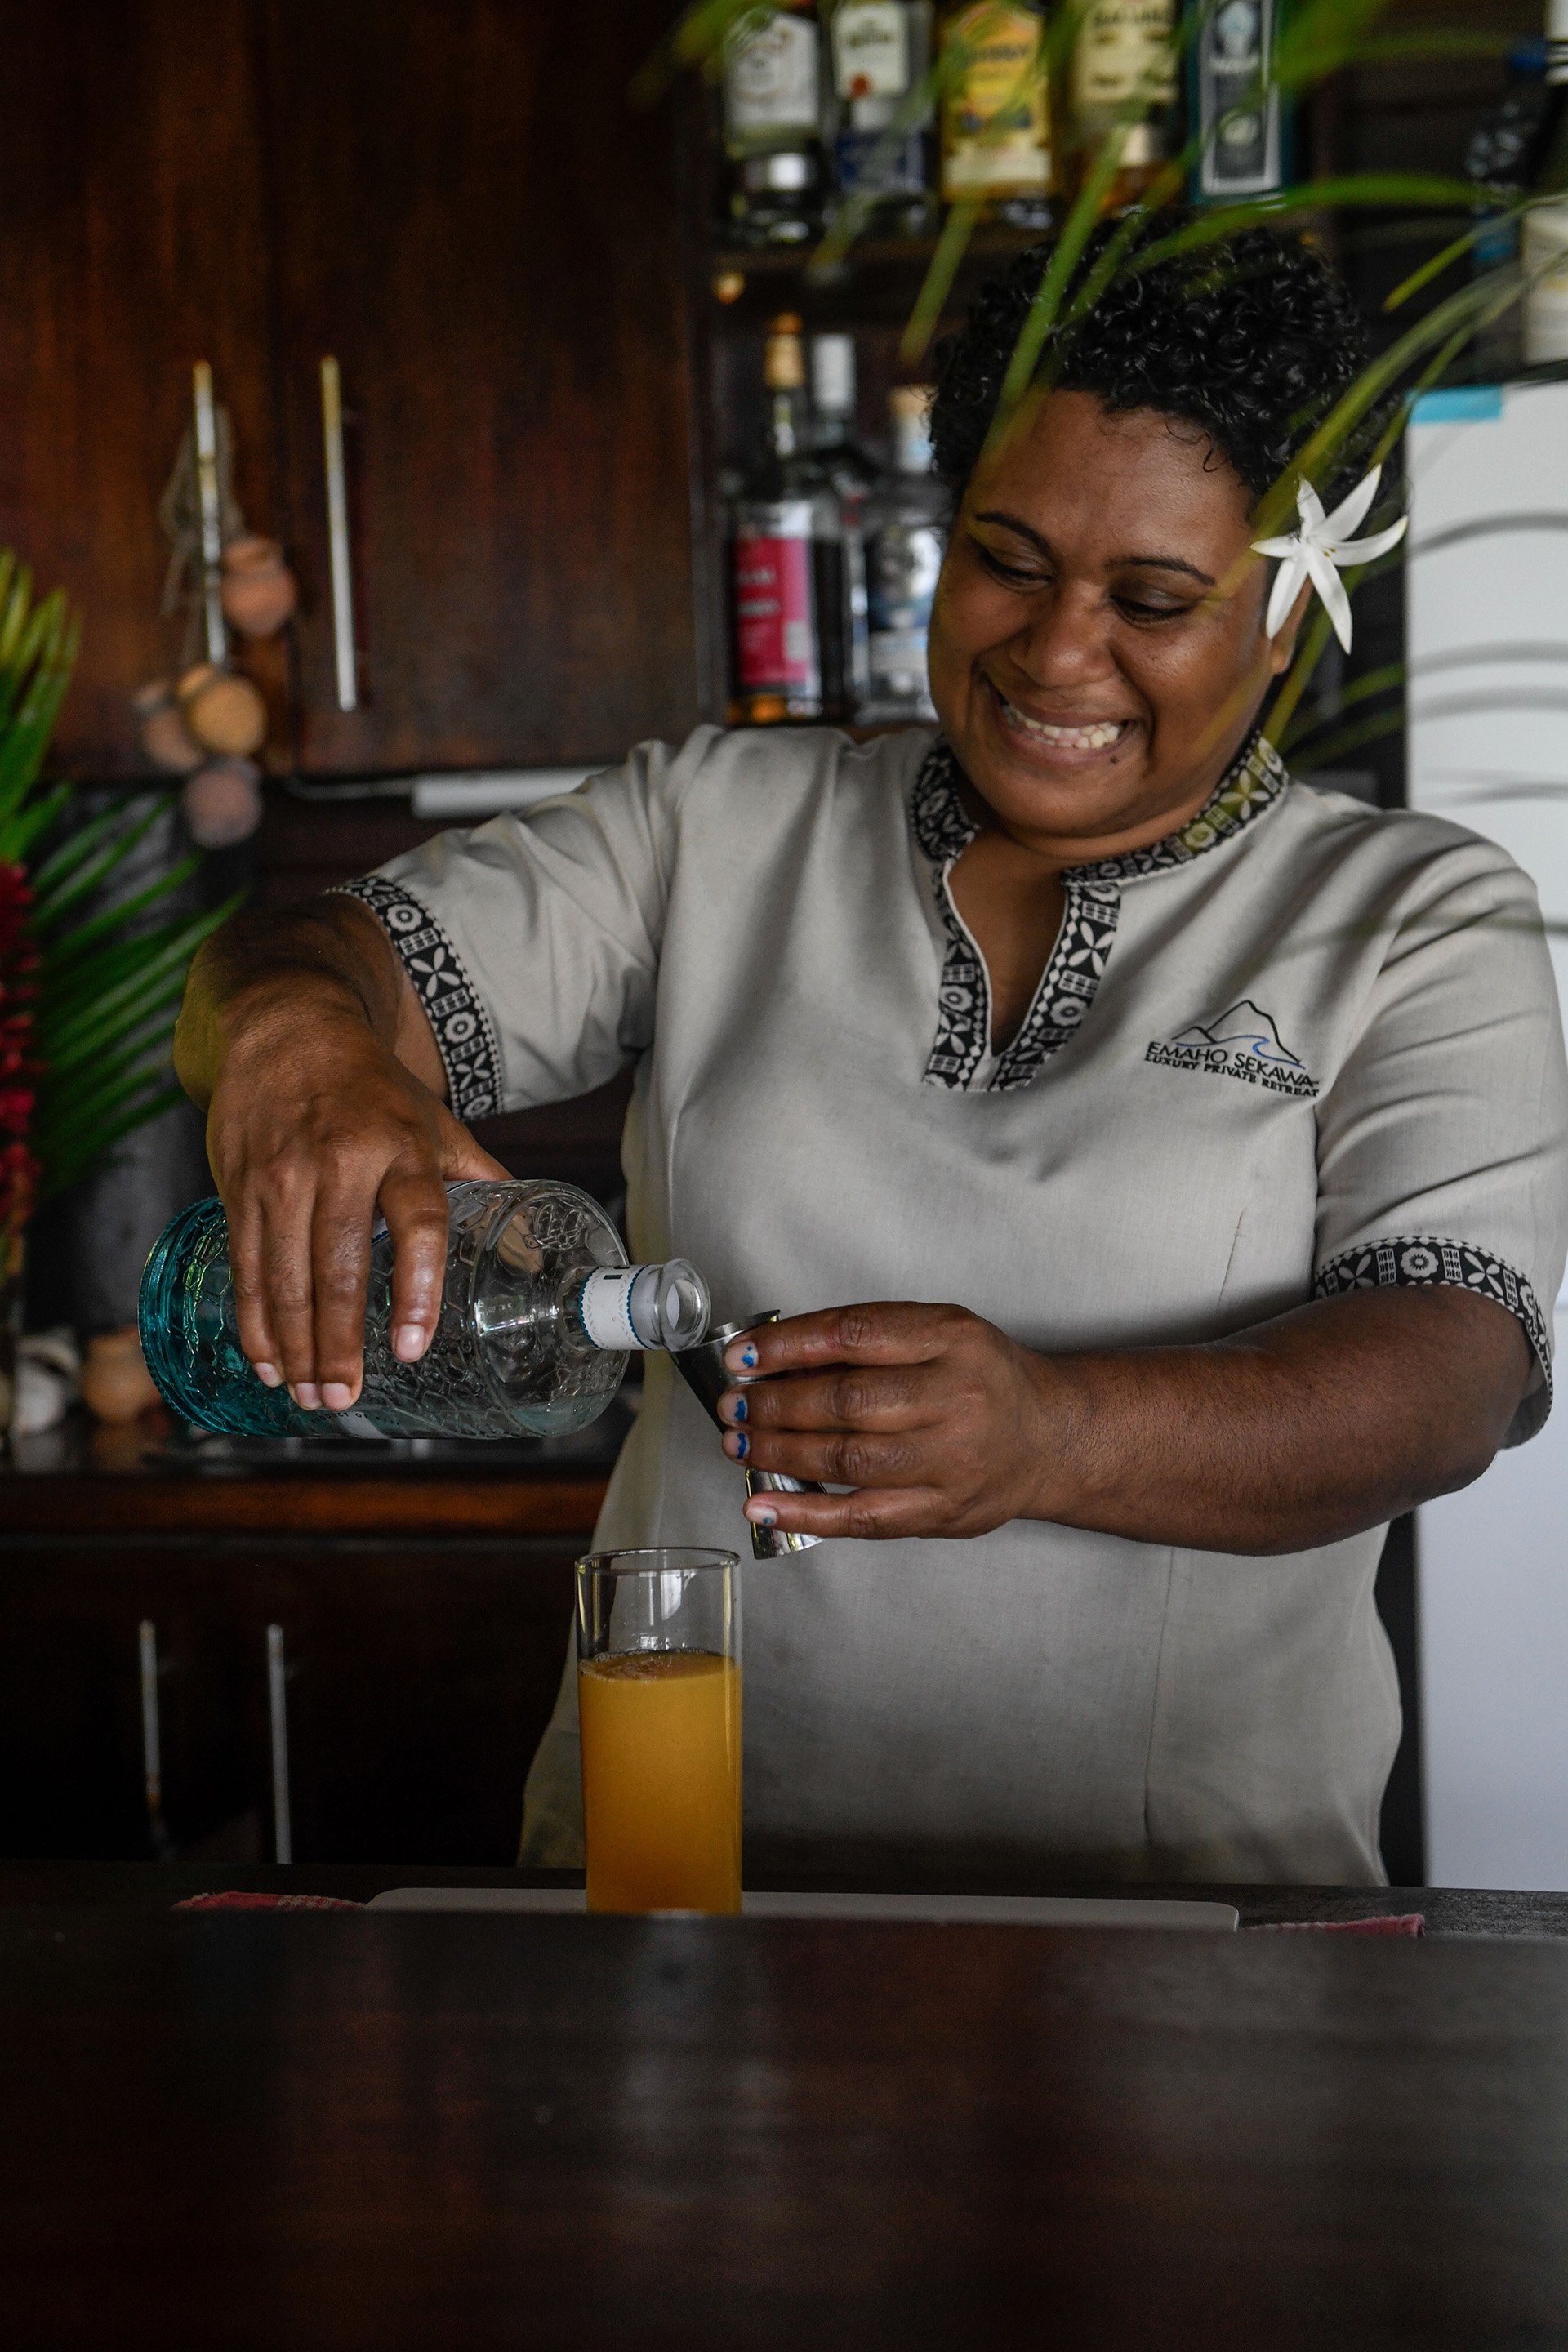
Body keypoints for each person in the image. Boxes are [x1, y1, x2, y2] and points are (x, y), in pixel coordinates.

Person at [174, 221, 1568, 1886]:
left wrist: (1054, 1435)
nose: (1057, 651)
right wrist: (298, 1042)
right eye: (1008, 559)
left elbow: (1447, 1376)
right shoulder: (714, 826)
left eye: (1153, 599)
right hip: (685, 1885)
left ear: (1284, 620)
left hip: (1184, 1929)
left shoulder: (1410, 917)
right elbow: (312, 966)